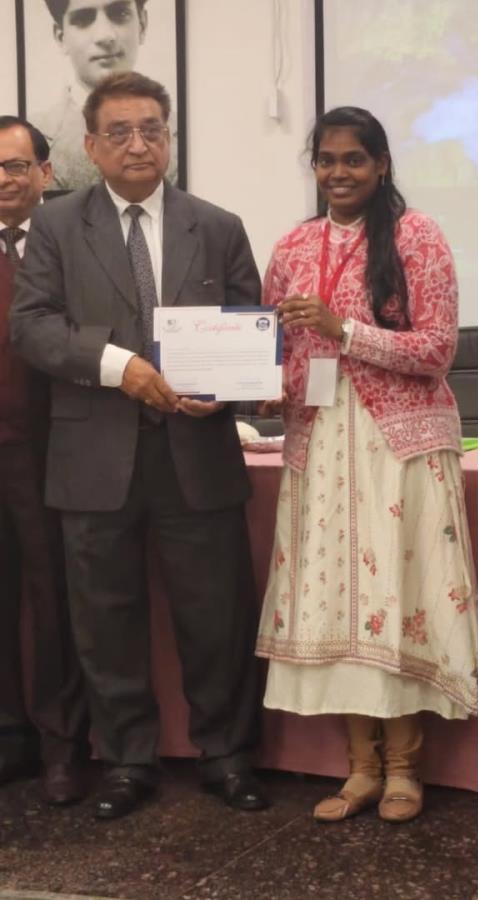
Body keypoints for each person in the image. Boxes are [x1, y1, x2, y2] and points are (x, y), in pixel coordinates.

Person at [11, 72, 268, 819]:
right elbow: (32, 327)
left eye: (151, 129)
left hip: (197, 450)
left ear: (169, 138)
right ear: (91, 146)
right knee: (105, 620)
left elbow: (249, 327)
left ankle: (227, 754)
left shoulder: (216, 225)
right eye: (119, 131)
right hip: (94, 457)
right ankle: (128, 760)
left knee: (216, 615)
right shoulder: (58, 227)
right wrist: (117, 366)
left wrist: (233, 387)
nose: (137, 144)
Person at [255, 106, 478, 824]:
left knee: (397, 597)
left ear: (381, 164)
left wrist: (345, 331)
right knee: (336, 606)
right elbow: (275, 347)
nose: (339, 173)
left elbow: (438, 350)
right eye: (326, 160)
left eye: (353, 159)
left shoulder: (418, 236)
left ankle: (405, 771)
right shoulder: (293, 246)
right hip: (320, 442)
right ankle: (359, 768)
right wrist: (261, 382)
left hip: (400, 446)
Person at [0, 115, 89, 806]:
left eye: (14, 165)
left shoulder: (68, 243)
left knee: (53, 596)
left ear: (44, 172)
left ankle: (63, 743)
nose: (3, 179)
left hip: (48, 447)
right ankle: (9, 734)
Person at [32, 1, 177, 191]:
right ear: (61, 37)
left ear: (142, 25)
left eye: (120, 14)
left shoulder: (183, 133)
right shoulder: (35, 136)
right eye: (83, 19)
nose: (105, 36)